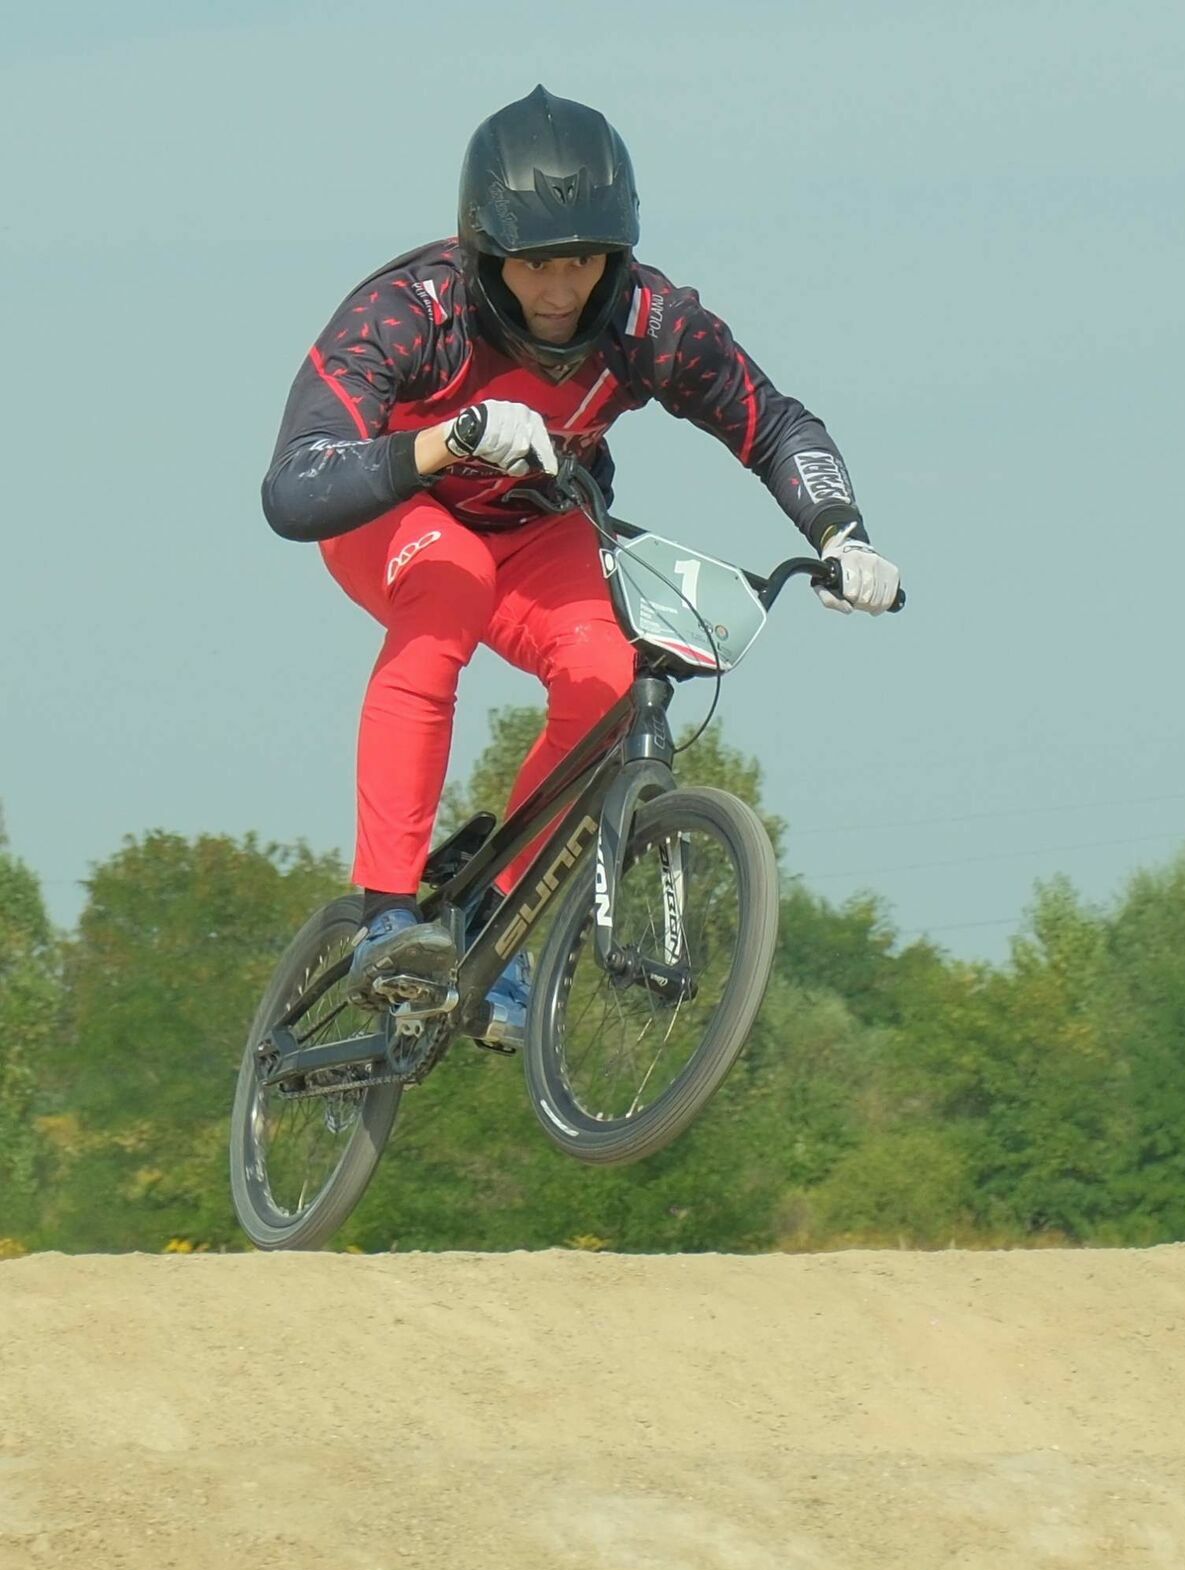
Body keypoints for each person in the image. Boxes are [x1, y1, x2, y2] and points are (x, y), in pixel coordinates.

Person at [262, 84, 901, 1040]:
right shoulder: (409, 313)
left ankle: (495, 918)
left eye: (586, 262)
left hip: (537, 523)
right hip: (396, 515)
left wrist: (841, 533)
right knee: (453, 586)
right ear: (487, 252)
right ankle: (387, 915)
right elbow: (295, 489)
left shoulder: (649, 322)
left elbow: (773, 422)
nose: (563, 293)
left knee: (610, 675)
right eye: (537, 267)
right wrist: (446, 442)